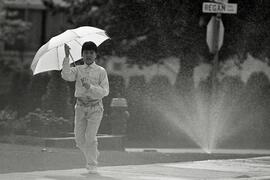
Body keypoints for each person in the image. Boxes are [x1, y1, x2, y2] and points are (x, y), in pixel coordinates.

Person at [61, 41, 109, 174]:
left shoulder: (101, 71)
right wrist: (66, 57)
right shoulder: (78, 69)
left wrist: (90, 87)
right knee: (79, 139)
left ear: (95, 55)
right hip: (80, 107)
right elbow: (66, 75)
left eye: (91, 53)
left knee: (90, 137)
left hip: (95, 108)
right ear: (82, 55)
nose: (88, 55)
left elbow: (105, 91)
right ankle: (93, 153)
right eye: (86, 53)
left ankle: (92, 164)